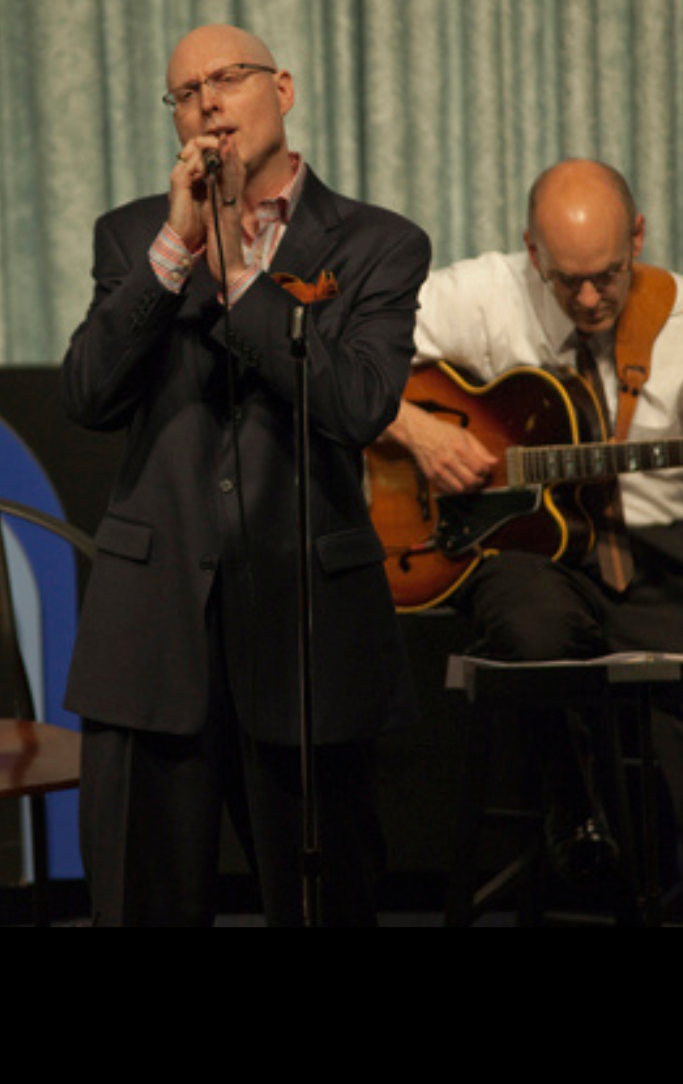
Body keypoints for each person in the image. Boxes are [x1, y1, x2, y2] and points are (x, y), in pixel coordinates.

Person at [62, 23, 431, 926]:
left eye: (227, 77)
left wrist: (237, 274)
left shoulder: (378, 244)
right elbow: (88, 394)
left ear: (285, 89)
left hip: (308, 630)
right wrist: (177, 248)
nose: (207, 102)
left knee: (325, 902)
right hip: (152, 639)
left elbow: (355, 403)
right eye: (185, 92)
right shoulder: (133, 237)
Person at [386, 159, 683, 883]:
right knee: (531, 627)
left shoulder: (676, 326)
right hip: (527, 553)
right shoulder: (482, 295)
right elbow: (342, 355)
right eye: (564, 279)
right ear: (531, 253)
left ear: (637, 238)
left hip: (654, 554)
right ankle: (572, 806)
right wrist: (418, 432)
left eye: (606, 276)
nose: (587, 298)